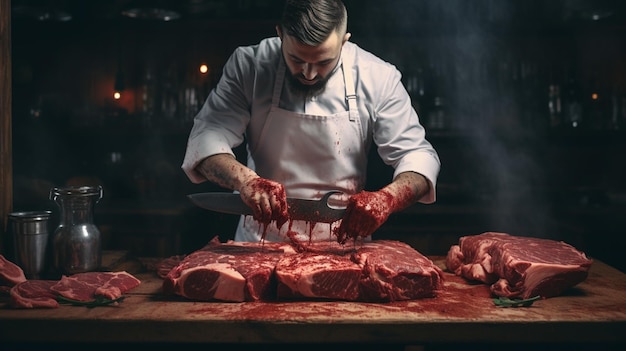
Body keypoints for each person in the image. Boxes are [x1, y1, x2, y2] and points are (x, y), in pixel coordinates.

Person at [182, 0, 440, 244]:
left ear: (344, 41)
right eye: (296, 59)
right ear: (280, 34)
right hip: (260, 243)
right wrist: (246, 182)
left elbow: (417, 155)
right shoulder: (249, 65)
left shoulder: (378, 76)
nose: (309, 73)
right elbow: (206, 140)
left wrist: (387, 199)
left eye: (324, 62)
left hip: (343, 245)